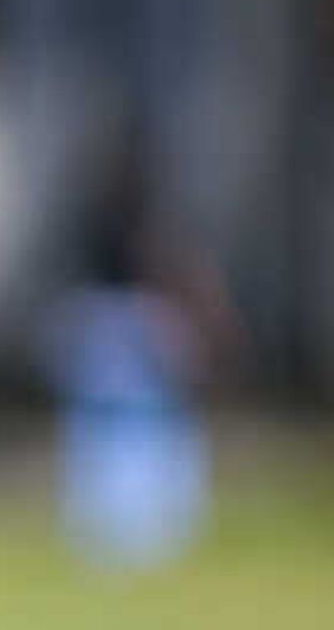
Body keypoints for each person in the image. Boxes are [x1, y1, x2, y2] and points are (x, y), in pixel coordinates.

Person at [53, 167, 218, 571]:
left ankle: (133, 539)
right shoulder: (148, 275)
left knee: (122, 443)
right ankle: (132, 538)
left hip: (118, 344)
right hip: (123, 343)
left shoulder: (132, 273)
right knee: (121, 444)